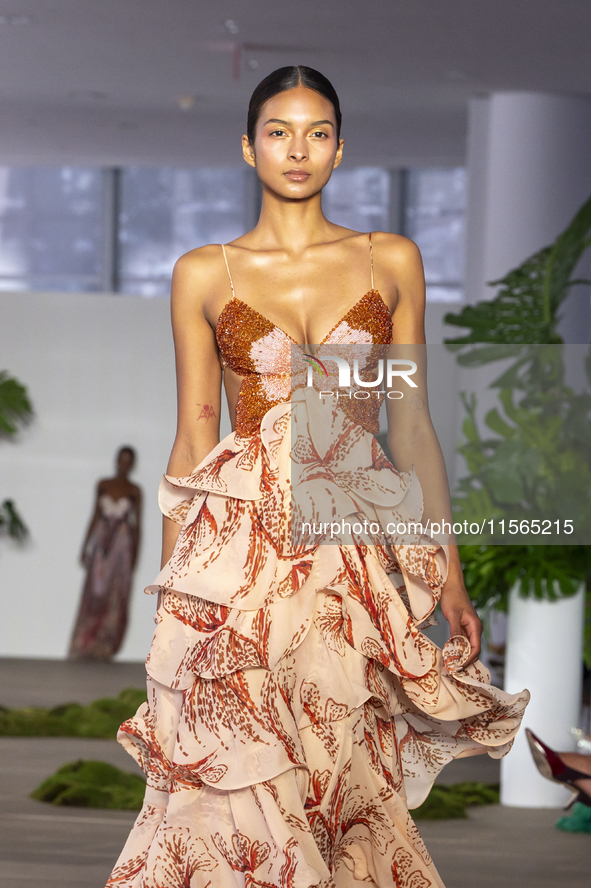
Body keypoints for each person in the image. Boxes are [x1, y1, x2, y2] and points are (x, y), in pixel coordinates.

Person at [106, 67, 529, 888]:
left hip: (350, 554)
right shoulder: (204, 271)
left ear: (340, 149)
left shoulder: (389, 260)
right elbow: (194, 439)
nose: (297, 149)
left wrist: (448, 576)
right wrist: (174, 601)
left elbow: (409, 425)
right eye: (278, 131)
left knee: (342, 772)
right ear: (247, 145)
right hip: (246, 558)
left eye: (317, 132)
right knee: (243, 770)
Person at [68, 446, 141, 661]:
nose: (124, 464)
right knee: (95, 591)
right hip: (102, 542)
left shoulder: (134, 490)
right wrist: (85, 546)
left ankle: (106, 645)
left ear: (132, 464)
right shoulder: (103, 485)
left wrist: (136, 554)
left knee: (116, 593)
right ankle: (86, 642)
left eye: (128, 460)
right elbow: (94, 515)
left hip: (122, 545)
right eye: (121, 459)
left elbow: (137, 525)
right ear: (116, 460)